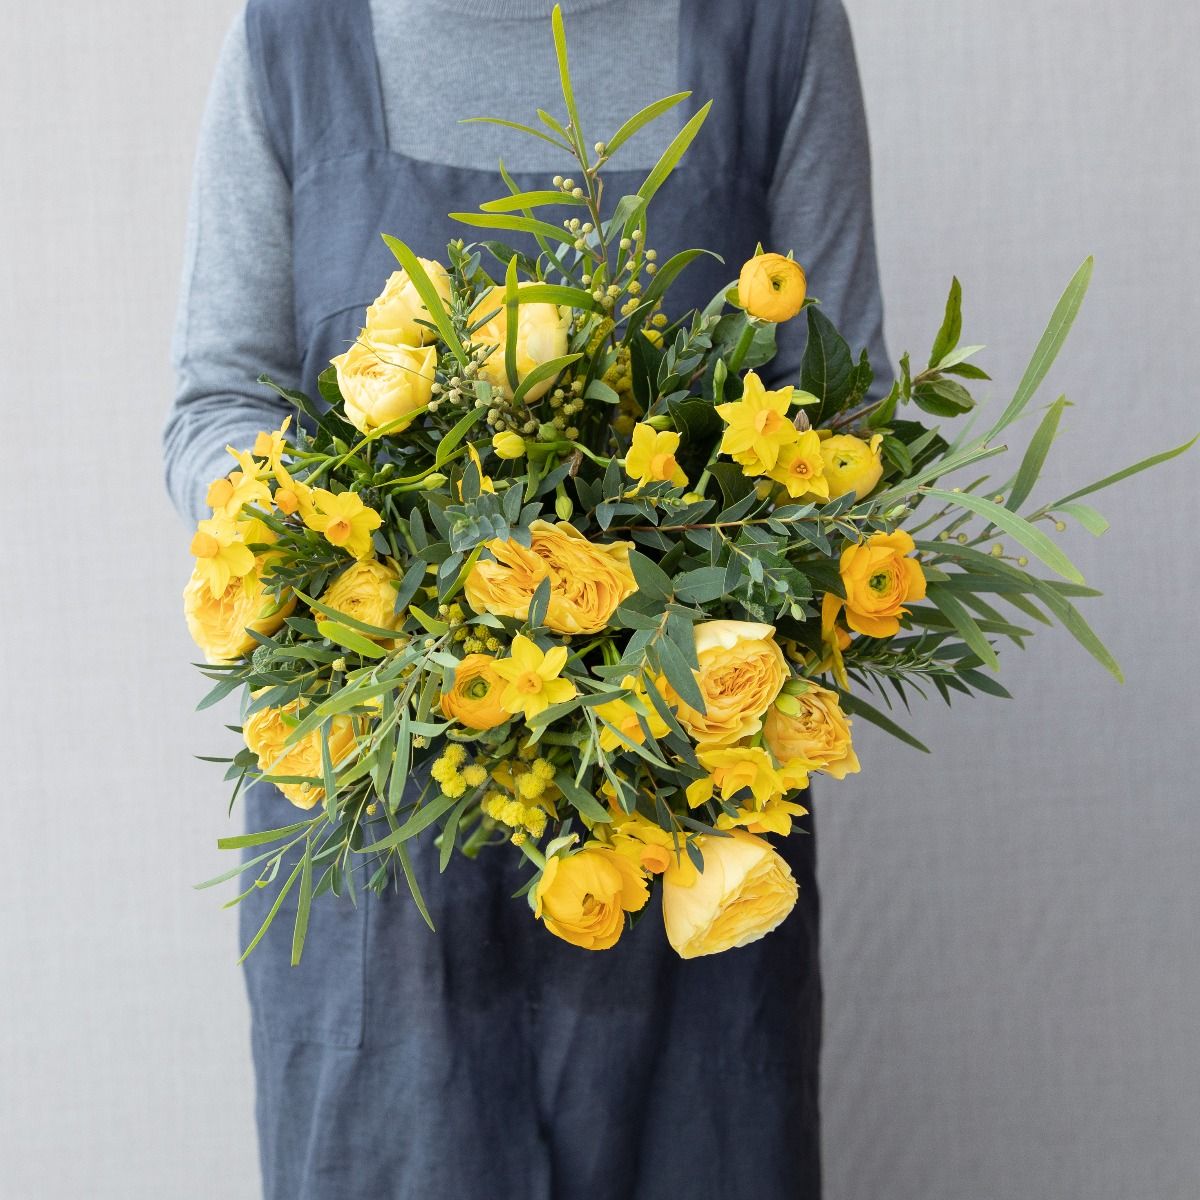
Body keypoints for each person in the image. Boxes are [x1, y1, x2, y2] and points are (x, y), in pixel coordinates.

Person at [164, 1, 889, 1196]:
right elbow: (218, 400)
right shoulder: (295, 42)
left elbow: (844, 424)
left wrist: (655, 576)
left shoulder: (774, 36)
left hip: (683, 801)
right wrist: (343, 540)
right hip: (386, 815)